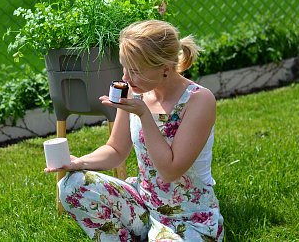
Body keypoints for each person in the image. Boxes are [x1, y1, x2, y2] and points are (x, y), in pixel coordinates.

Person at [45, 20, 224, 242]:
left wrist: (143, 115)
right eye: (125, 68)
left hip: (187, 217)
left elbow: (171, 171)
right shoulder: (134, 92)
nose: (126, 78)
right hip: (142, 203)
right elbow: (116, 149)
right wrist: (78, 163)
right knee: (71, 186)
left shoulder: (199, 100)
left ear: (165, 69)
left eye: (135, 71)